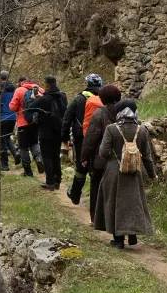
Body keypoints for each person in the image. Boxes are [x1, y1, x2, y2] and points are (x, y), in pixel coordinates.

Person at [93, 99, 158, 248]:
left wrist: (113, 156)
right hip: (134, 172)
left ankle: (118, 240)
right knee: (132, 204)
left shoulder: (111, 129)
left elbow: (103, 152)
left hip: (114, 172)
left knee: (114, 203)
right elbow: (147, 156)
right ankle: (132, 235)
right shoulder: (141, 130)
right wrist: (152, 175)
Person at [79, 84, 123, 218]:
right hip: (121, 158)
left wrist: (84, 157)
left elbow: (91, 137)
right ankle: (116, 218)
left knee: (97, 187)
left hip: (101, 159)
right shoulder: (125, 112)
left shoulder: (99, 113)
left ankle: (97, 218)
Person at [65, 74, 105, 205]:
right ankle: (98, 201)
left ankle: (75, 194)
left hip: (81, 138)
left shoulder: (78, 99)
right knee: (98, 169)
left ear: (86, 84)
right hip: (102, 138)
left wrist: (64, 138)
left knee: (81, 167)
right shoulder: (105, 99)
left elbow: (67, 119)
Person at [27, 74, 68, 190]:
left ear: (46, 85)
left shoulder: (44, 99)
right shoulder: (62, 96)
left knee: (47, 156)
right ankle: (57, 181)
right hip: (58, 131)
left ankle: (49, 182)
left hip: (46, 131)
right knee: (56, 156)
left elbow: (30, 108)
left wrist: (34, 98)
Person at [9, 77, 44, 177]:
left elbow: (12, 107)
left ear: (21, 83)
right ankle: (39, 159)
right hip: (36, 122)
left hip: (23, 123)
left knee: (24, 147)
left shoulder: (19, 90)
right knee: (34, 143)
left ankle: (28, 171)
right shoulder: (40, 89)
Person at [0, 71, 20, 172]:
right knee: (7, 137)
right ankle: (15, 153)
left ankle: (4, 165)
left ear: (0, 79)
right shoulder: (15, 90)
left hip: (2, 118)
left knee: (2, 140)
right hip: (13, 118)